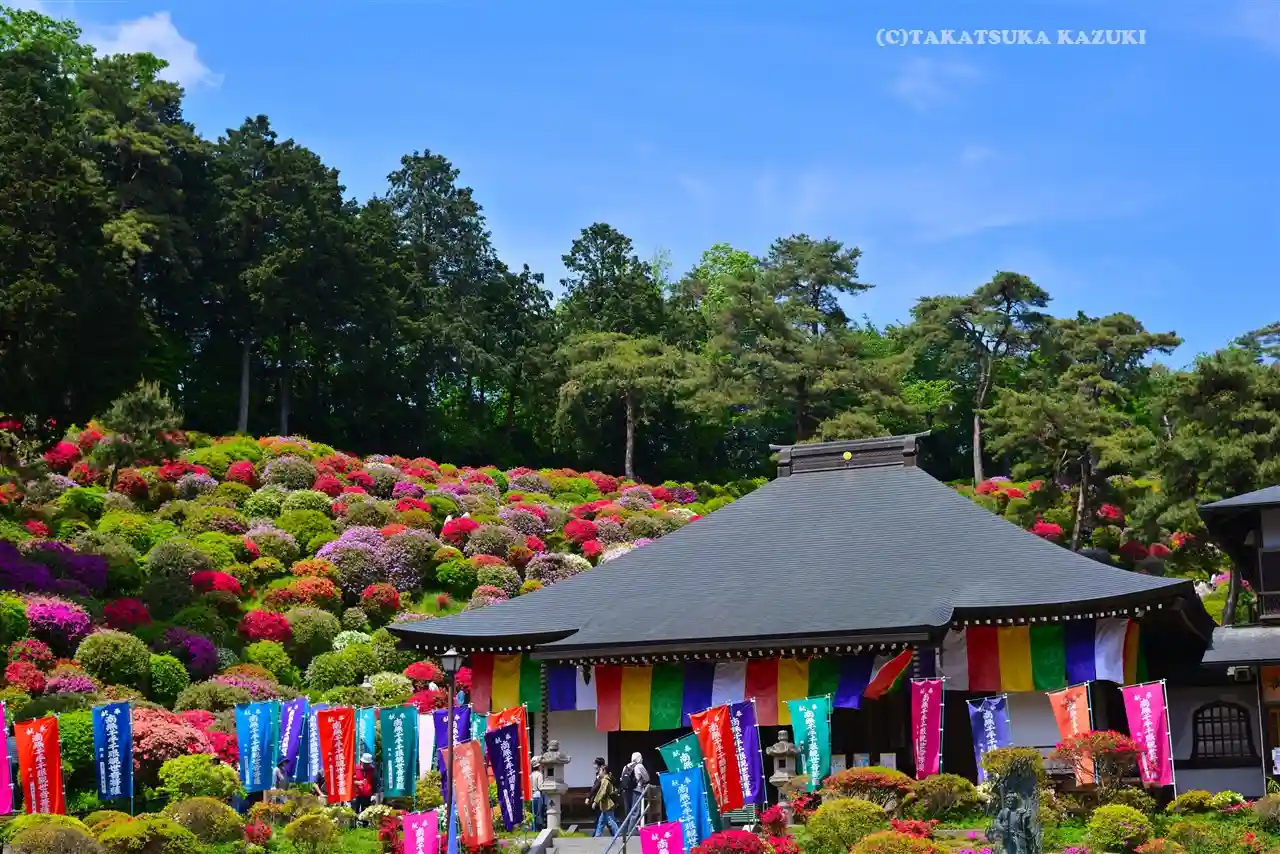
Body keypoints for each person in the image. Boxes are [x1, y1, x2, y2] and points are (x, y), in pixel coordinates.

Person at [620, 751, 650, 831]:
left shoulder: (626, 766)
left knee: (628, 811)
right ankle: (631, 831)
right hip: (636, 790)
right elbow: (647, 778)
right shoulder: (639, 766)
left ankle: (625, 830)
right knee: (635, 811)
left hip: (626, 791)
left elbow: (622, 779)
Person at [590, 757, 619, 838]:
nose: (599, 773)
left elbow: (602, 792)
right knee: (601, 821)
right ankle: (597, 836)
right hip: (604, 805)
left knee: (611, 821)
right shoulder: (605, 779)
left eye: (600, 771)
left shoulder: (605, 780)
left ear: (604, 771)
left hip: (608, 804)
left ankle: (617, 834)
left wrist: (595, 802)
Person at [530, 757, 546, 831]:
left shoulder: (531, 775)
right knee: (539, 812)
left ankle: (533, 828)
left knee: (533, 812)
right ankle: (537, 828)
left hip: (531, 795)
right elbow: (540, 787)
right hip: (538, 794)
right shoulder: (539, 775)